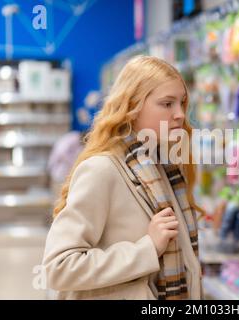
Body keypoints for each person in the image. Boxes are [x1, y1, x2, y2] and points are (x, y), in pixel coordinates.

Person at [42, 55, 203, 300]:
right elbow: (59, 267)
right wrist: (147, 249)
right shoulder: (102, 170)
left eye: (182, 102)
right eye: (167, 104)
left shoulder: (167, 168)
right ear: (132, 106)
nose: (180, 114)